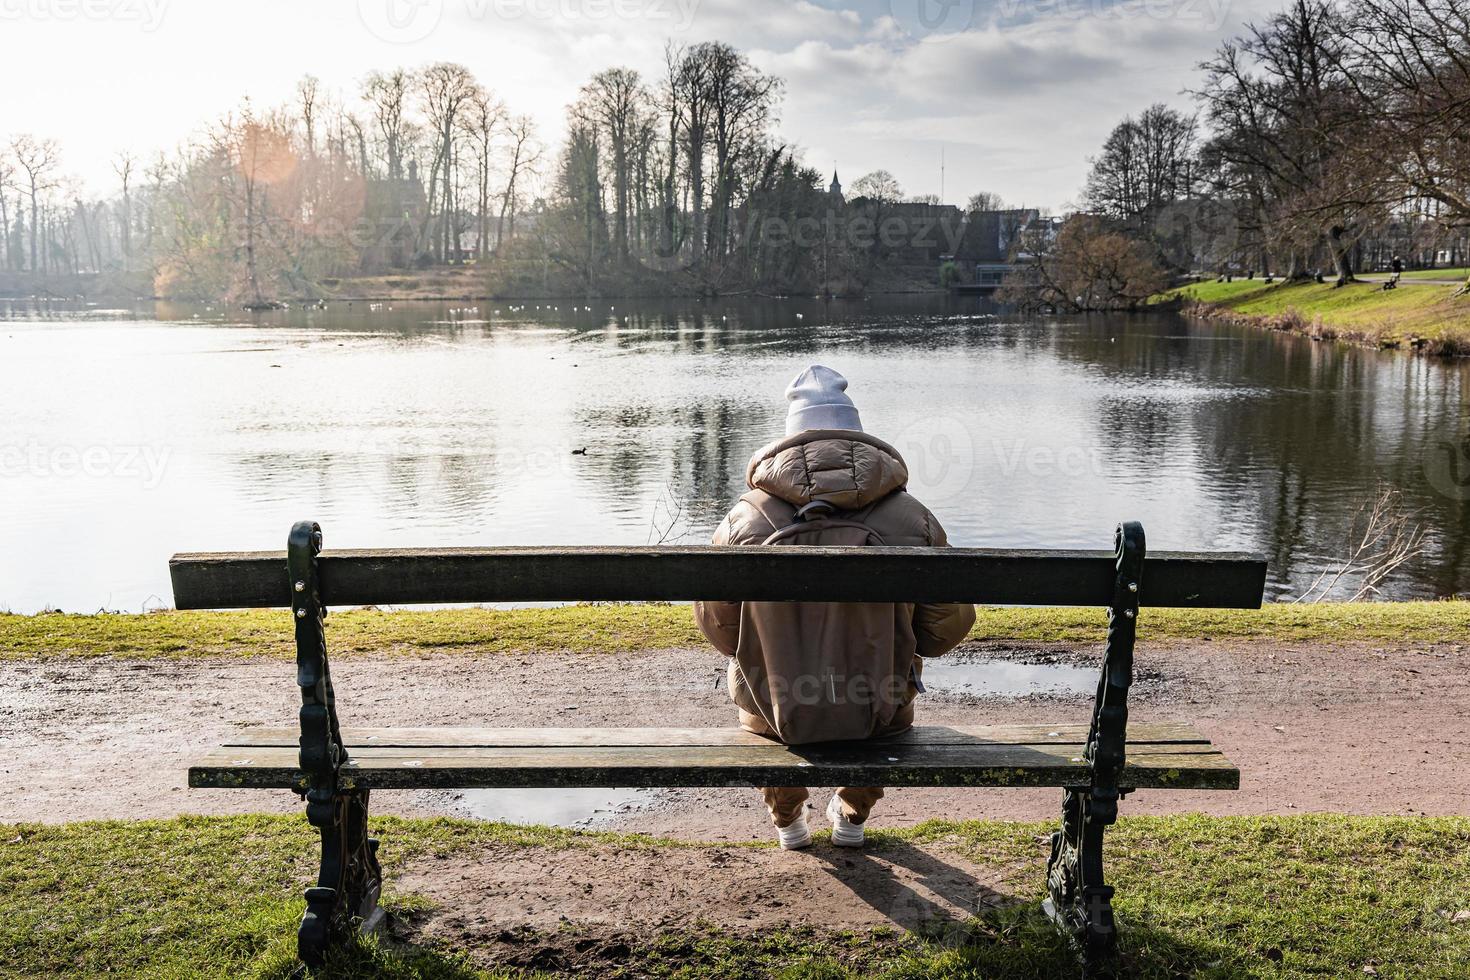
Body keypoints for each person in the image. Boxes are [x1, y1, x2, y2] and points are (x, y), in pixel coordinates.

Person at [694, 365, 976, 850]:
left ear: (786, 443)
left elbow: (722, 633)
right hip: (880, 709)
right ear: (861, 439)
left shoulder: (745, 520)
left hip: (774, 705)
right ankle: (851, 816)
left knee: (757, 690)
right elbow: (943, 632)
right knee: (893, 693)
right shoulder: (911, 519)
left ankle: (788, 822)